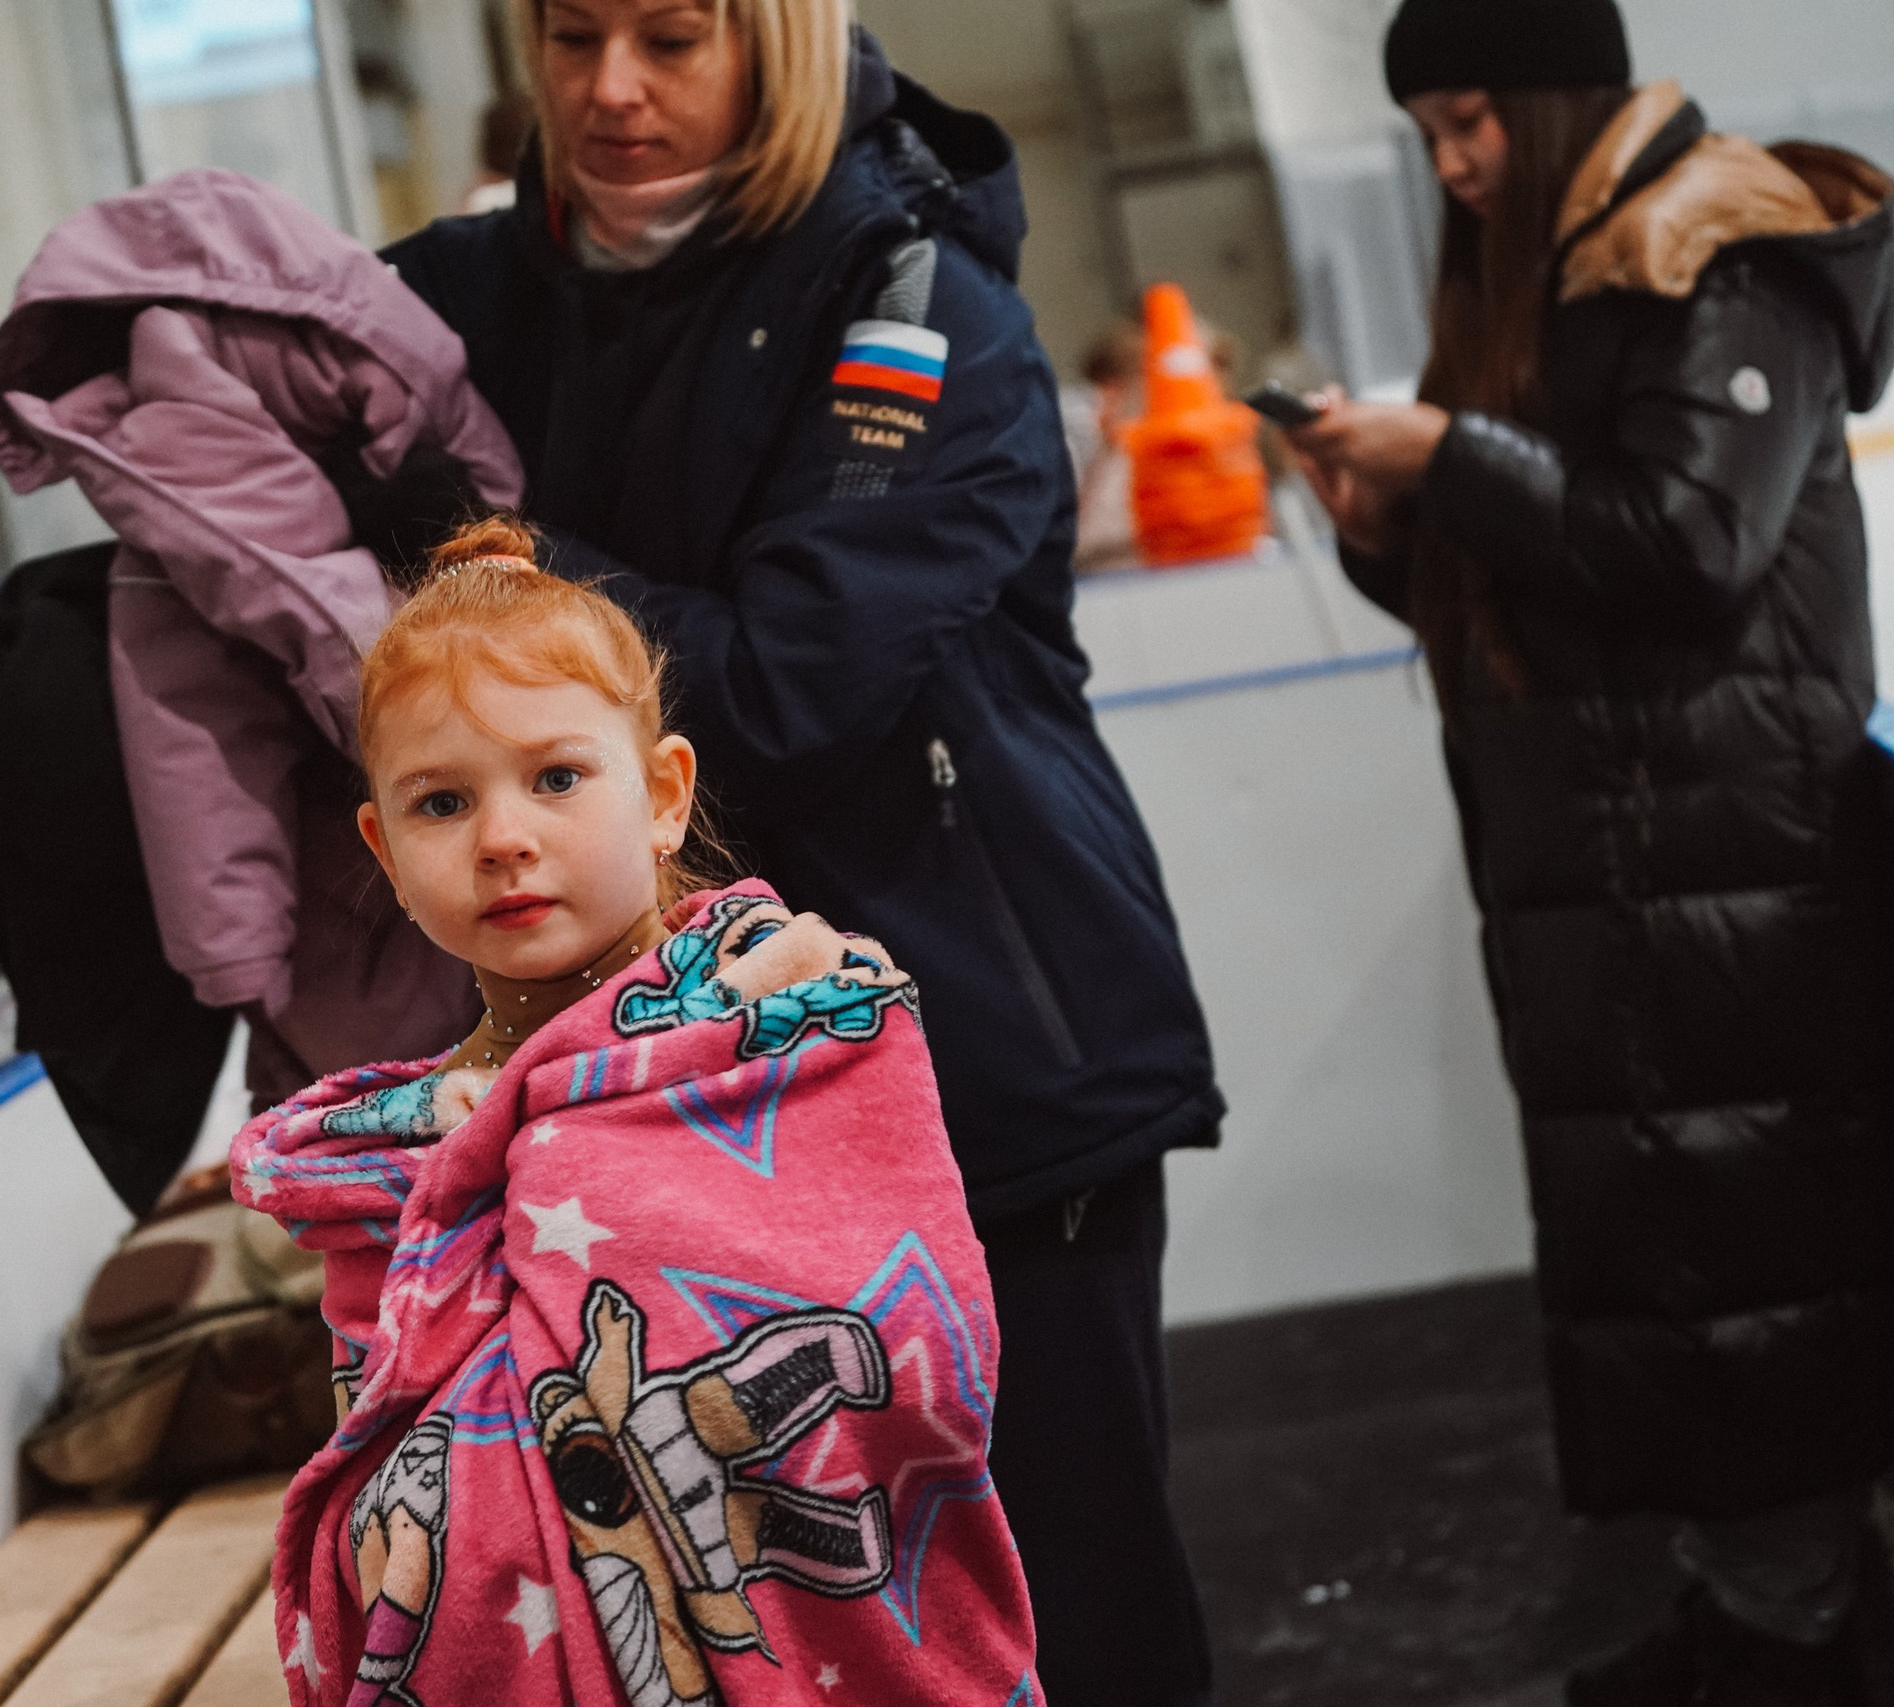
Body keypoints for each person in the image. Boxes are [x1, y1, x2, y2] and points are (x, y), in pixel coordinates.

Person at [384, 5, 1224, 1700]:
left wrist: (503, 558)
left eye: (671, 36)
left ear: (771, 38)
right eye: (570, 33)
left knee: (1068, 1618)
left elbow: (782, 693)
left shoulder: (925, 314)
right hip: (653, 1137)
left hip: (987, 1077)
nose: (609, 88)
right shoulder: (457, 312)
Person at [1284, 1, 1894, 1700]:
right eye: (1426, 136)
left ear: (1557, 100)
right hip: (1615, 872)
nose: (1453, 163)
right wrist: (1386, 530)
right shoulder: (1548, 269)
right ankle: (1750, 1603)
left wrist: (1452, 456)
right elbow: (1544, 592)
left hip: (1729, 859)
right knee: (1684, 1271)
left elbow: (1691, 542)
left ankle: (1801, 1621)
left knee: (1763, 1264)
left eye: (1472, 120)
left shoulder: (1725, 249)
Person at [232, 517, 1037, 1707]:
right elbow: (380, 1467)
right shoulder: (389, 1160)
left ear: (663, 795)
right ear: (385, 852)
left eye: (557, 778)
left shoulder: (788, 1023)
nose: (504, 839)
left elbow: (903, 1356)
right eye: (441, 803)